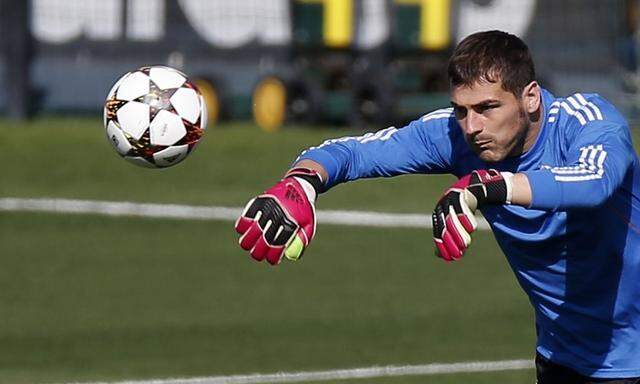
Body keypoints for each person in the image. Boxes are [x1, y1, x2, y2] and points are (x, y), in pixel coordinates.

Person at [234, 30, 640, 383]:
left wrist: (488, 187)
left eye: (487, 108)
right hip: (563, 358)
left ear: (530, 97)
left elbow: (595, 182)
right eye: (462, 110)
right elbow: (353, 152)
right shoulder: (456, 135)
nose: (473, 126)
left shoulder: (587, 123)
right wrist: (301, 183)